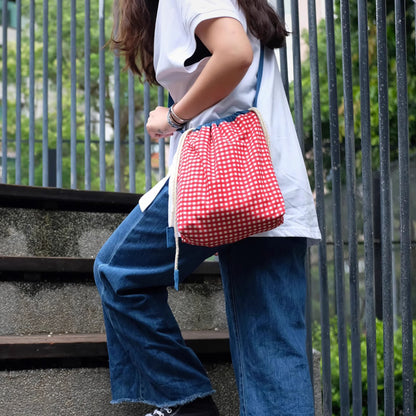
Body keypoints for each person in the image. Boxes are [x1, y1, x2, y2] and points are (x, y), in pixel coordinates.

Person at [93, 1, 321, 415]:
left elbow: (234, 53)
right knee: (274, 351)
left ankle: (187, 404)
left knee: (119, 271)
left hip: (225, 174)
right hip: (270, 180)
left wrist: (173, 117)